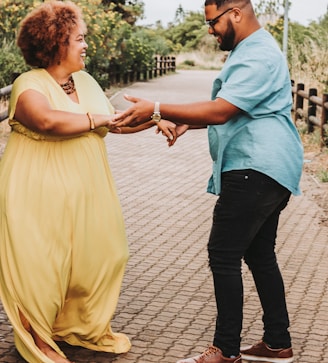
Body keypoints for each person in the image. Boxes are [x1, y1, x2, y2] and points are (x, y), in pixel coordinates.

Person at [113, 0, 304, 362]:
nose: (210, 29)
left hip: (255, 168)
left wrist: (157, 108)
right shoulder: (252, 50)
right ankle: (278, 343)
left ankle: (224, 351)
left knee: (223, 254)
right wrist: (188, 122)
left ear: (236, 13)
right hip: (270, 168)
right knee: (260, 254)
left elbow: (222, 109)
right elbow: (233, 106)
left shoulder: (258, 53)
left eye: (212, 21)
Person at [0, 1, 175, 363]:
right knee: (42, 268)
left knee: (107, 255)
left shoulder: (85, 82)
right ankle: (38, 339)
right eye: (79, 39)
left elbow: (116, 122)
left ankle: (74, 327)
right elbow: (48, 121)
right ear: (57, 42)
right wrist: (101, 118)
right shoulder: (27, 85)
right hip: (35, 193)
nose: (85, 45)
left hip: (87, 192)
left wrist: (157, 117)